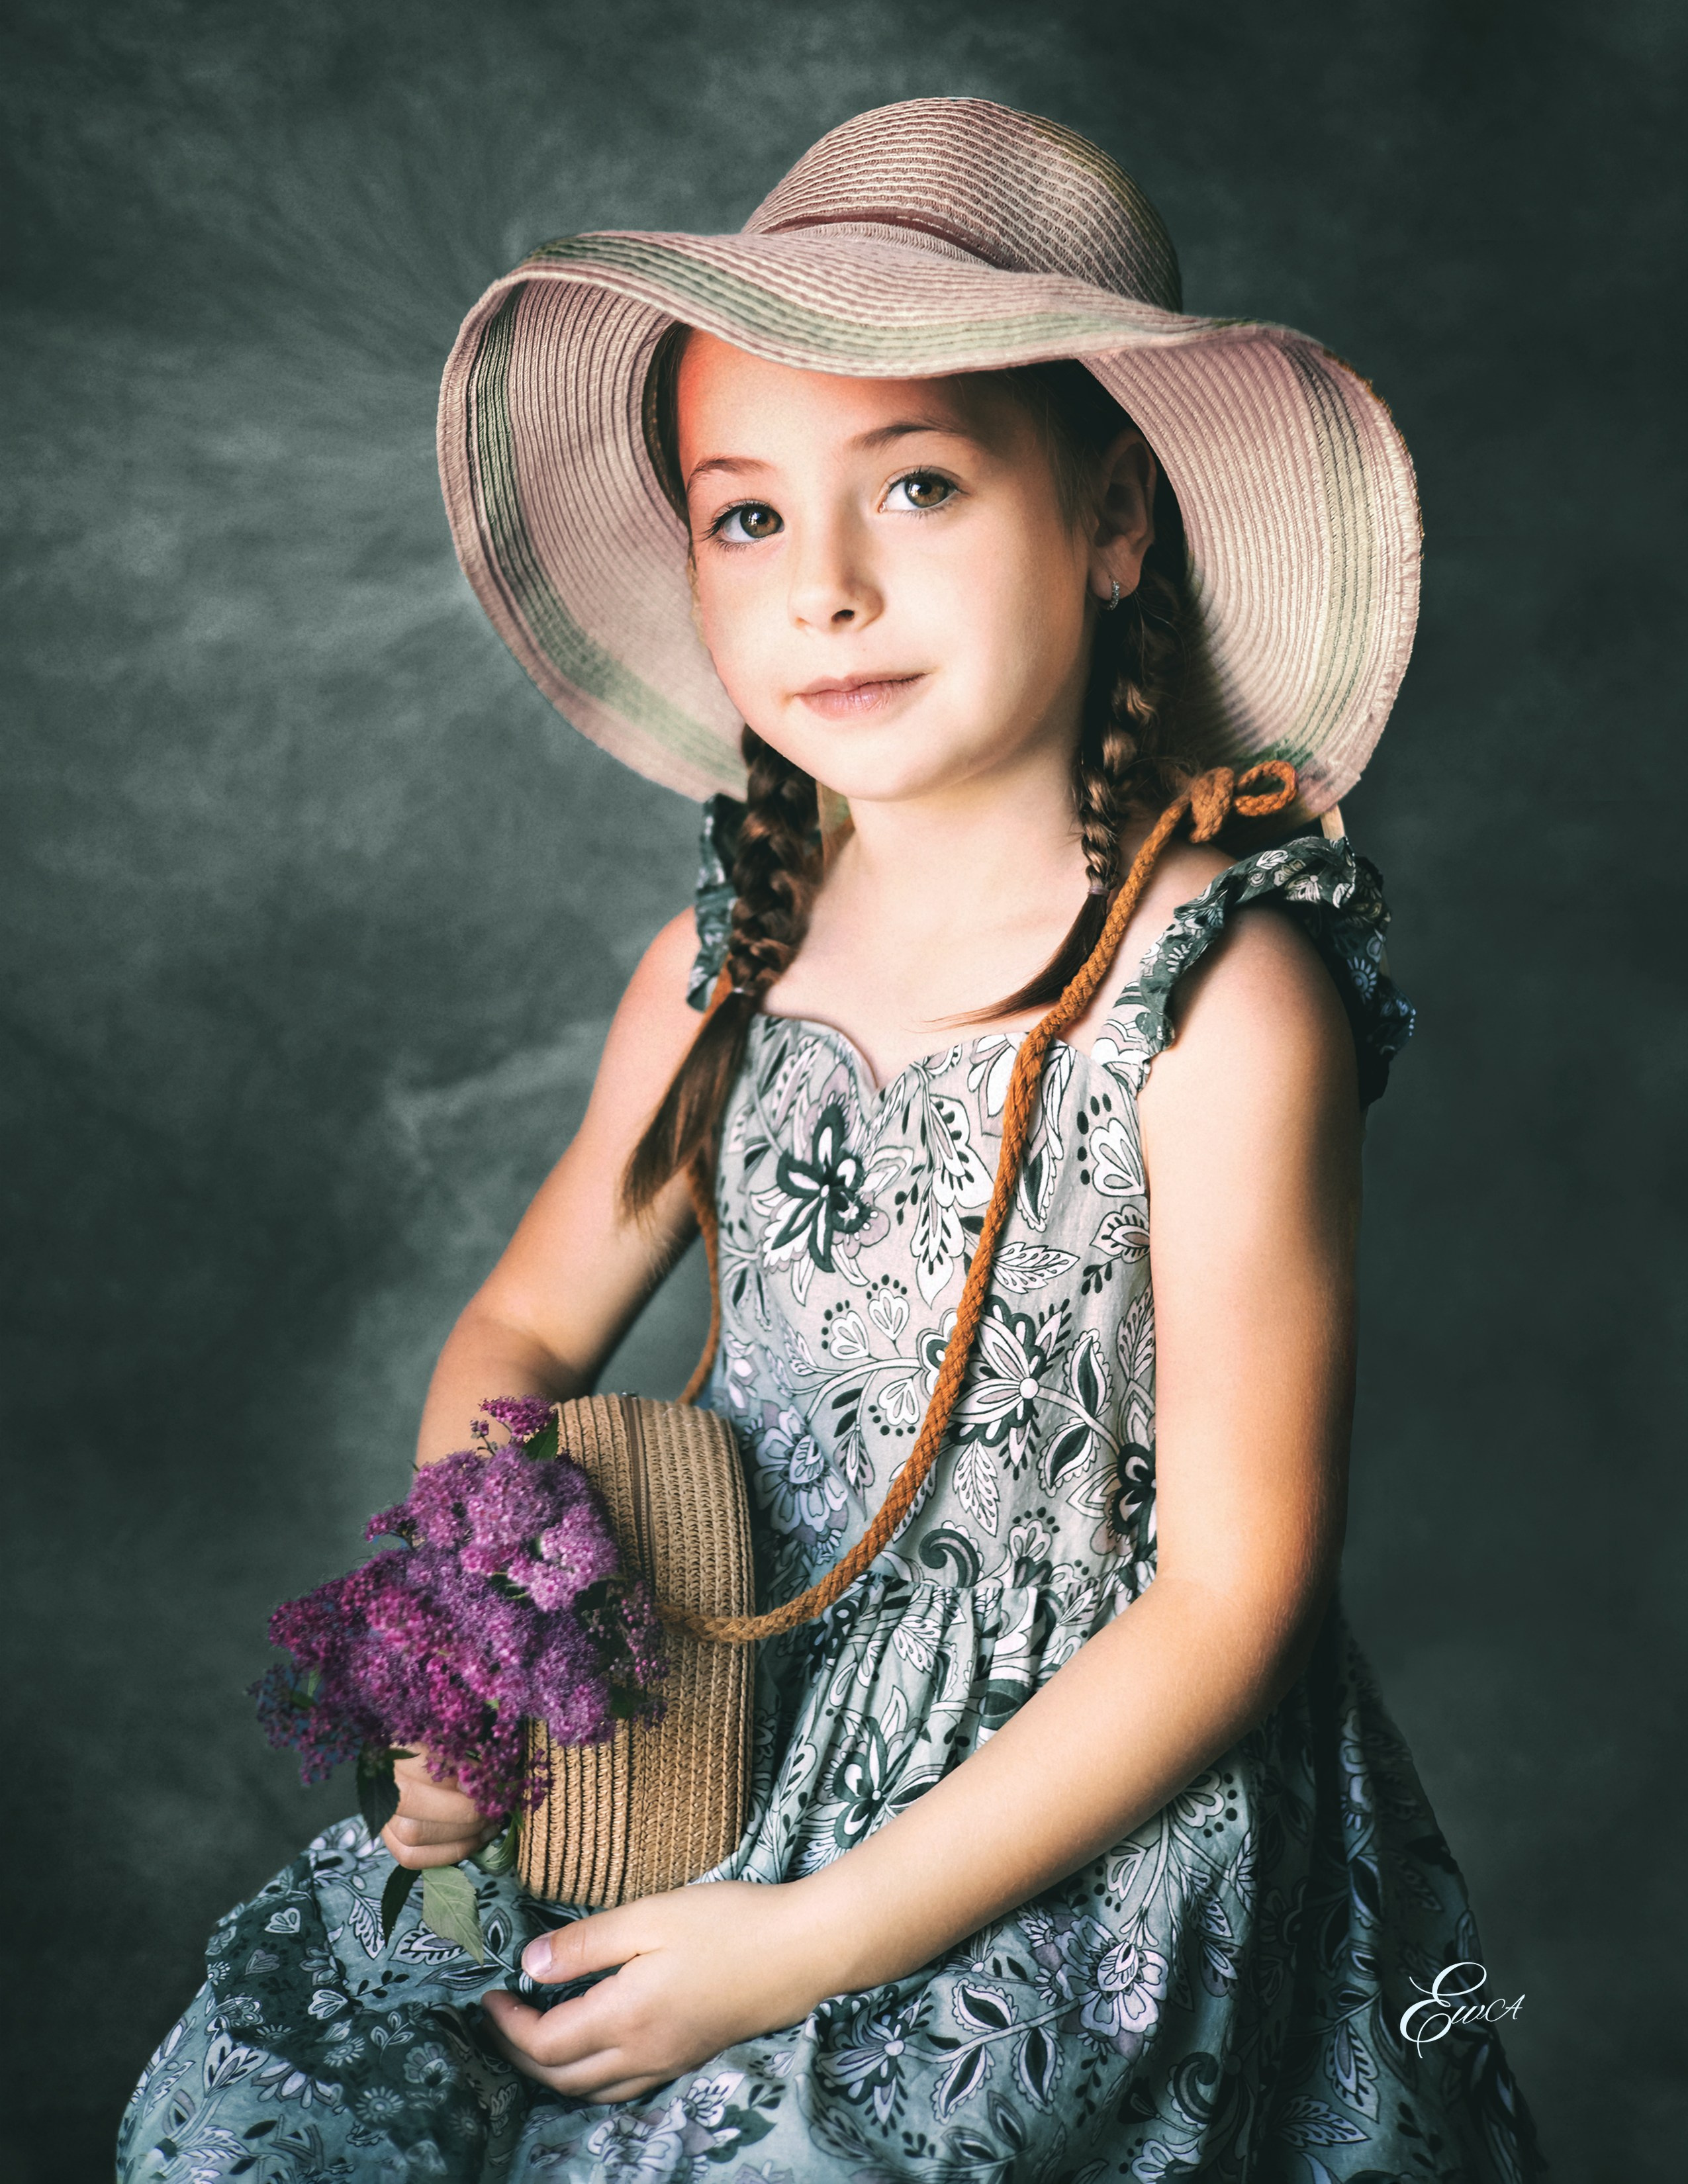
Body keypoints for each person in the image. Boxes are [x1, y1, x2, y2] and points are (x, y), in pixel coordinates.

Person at [120, 97, 1548, 2183]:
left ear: (1116, 521)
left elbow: (1235, 1592)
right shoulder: (725, 963)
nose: (836, 589)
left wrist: (800, 1944)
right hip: (698, 1716)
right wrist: (475, 1643)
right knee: (271, 2107)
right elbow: (520, 1327)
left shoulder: (1219, 1001)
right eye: (751, 517)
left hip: (1057, 1823)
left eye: (922, 484)